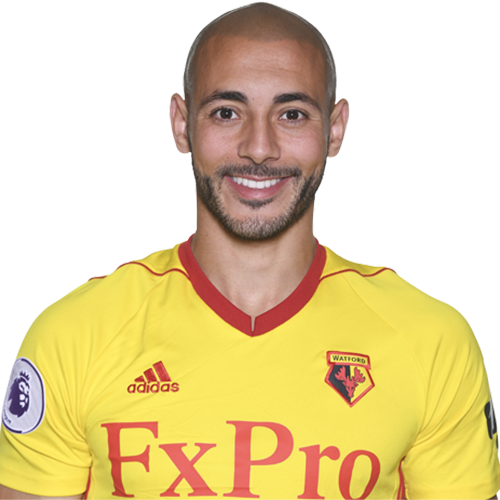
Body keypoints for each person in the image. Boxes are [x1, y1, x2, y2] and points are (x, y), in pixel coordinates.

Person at [0, 3, 499, 499]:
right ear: (181, 124)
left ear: (336, 128)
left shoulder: (432, 342)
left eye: (292, 114)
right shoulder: (75, 335)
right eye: (226, 112)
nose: (259, 148)